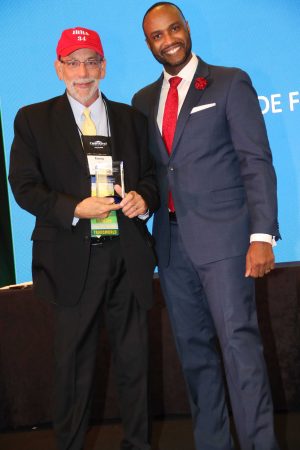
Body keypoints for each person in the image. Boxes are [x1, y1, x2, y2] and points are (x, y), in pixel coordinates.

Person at [132, 3, 281, 450]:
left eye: (173, 29)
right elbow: (156, 175)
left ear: (187, 28)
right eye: (157, 36)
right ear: (149, 44)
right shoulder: (142, 102)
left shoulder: (230, 82)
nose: (168, 40)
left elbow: (255, 161)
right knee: (195, 358)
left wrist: (261, 235)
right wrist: (141, 204)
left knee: (240, 352)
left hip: (227, 244)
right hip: (171, 247)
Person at [9, 26, 159, 450]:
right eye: (73, 62)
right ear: (58, 69)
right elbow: (23, 186)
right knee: (73, 368)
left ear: (104, 67)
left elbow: (150, 178)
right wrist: (74, 208)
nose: (83, 71)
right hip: (72, 260)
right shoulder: (34, 119)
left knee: (135, 364)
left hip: (126, 256)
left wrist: (141, 199)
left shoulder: (132, 119)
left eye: (91, 61)